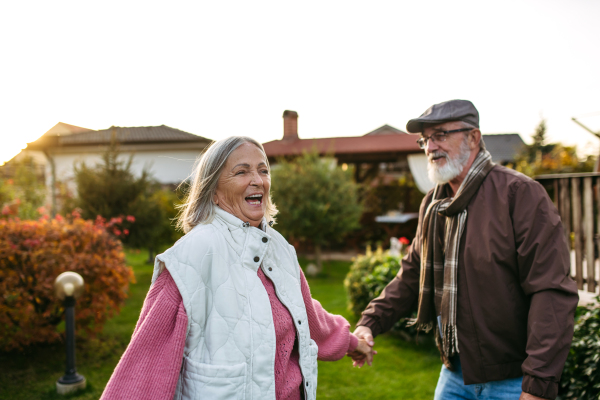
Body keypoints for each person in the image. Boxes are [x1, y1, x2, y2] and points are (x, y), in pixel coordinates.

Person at [101, 136, 374, 400]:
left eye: (263, 170)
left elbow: (304, 312)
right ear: (214, 191)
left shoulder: (279, 248)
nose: (257, 180)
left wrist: (352, 343)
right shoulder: (191, 256)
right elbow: (146, 362)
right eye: (241, 172)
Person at [350, 99, 578, 400]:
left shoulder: (520, 194)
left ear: (473, 137)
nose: (430, 147)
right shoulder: (434, 204)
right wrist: (370, 322)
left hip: (513, 382)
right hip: (455, 376)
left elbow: (551, 293)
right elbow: (412, 274)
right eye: (425, 139)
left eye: (441, 135)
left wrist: (537, 385)